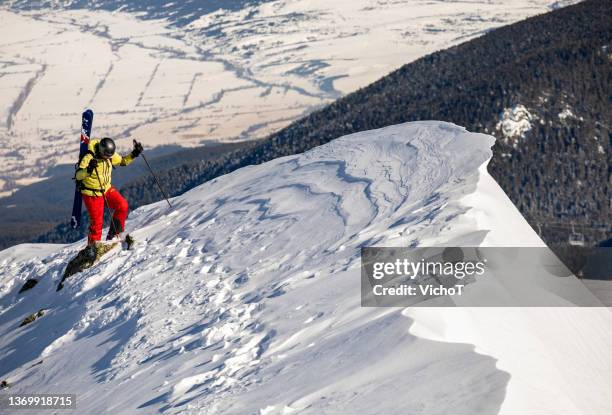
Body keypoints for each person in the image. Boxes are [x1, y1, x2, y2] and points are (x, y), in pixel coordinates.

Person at [75, 137, 143, 257]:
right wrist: (89, 169)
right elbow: (78, 175)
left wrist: (134, 154)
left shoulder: (110, 155)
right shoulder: (89, 157)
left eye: (109, 156)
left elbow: (122, 161)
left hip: (105, 189)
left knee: (122, 205)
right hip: (92, 193)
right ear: (101, 151)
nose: (108, 158)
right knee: (97, 222)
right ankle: (92, 250)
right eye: (106, 156)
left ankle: (114, 236)